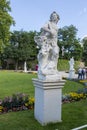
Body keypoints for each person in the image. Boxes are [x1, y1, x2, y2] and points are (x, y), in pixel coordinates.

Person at [34, 11, 60, 76]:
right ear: (51, 17)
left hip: (54, 41)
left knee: (56, 53)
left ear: (57, 18)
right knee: (44, 54)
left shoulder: (56, 25)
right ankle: (44, 69)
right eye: (53, 16)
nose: (54, 17)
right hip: (48, 41)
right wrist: (50, 31)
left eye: (55, 16)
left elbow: (56, 35)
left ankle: (53, 68)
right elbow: (43, 27)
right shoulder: (48, 22)